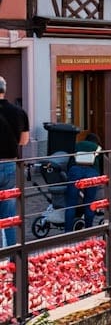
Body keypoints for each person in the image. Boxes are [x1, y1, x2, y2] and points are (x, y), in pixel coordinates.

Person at [0, 75, 29, 247]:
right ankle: (11, 257)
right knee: (9, 214)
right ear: (4, 89)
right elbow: (24, 141)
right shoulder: (18, 112)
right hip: (10, 165)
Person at [64, 132, 102, 232]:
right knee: (89, 201)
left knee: (71, 202)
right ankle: (88, 230)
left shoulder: (77, 145)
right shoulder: (97, 147)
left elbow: (70, 162)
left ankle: (67, 232)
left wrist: (69, 175)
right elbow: (101, 165)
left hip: (75, 171)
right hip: (91, 173)